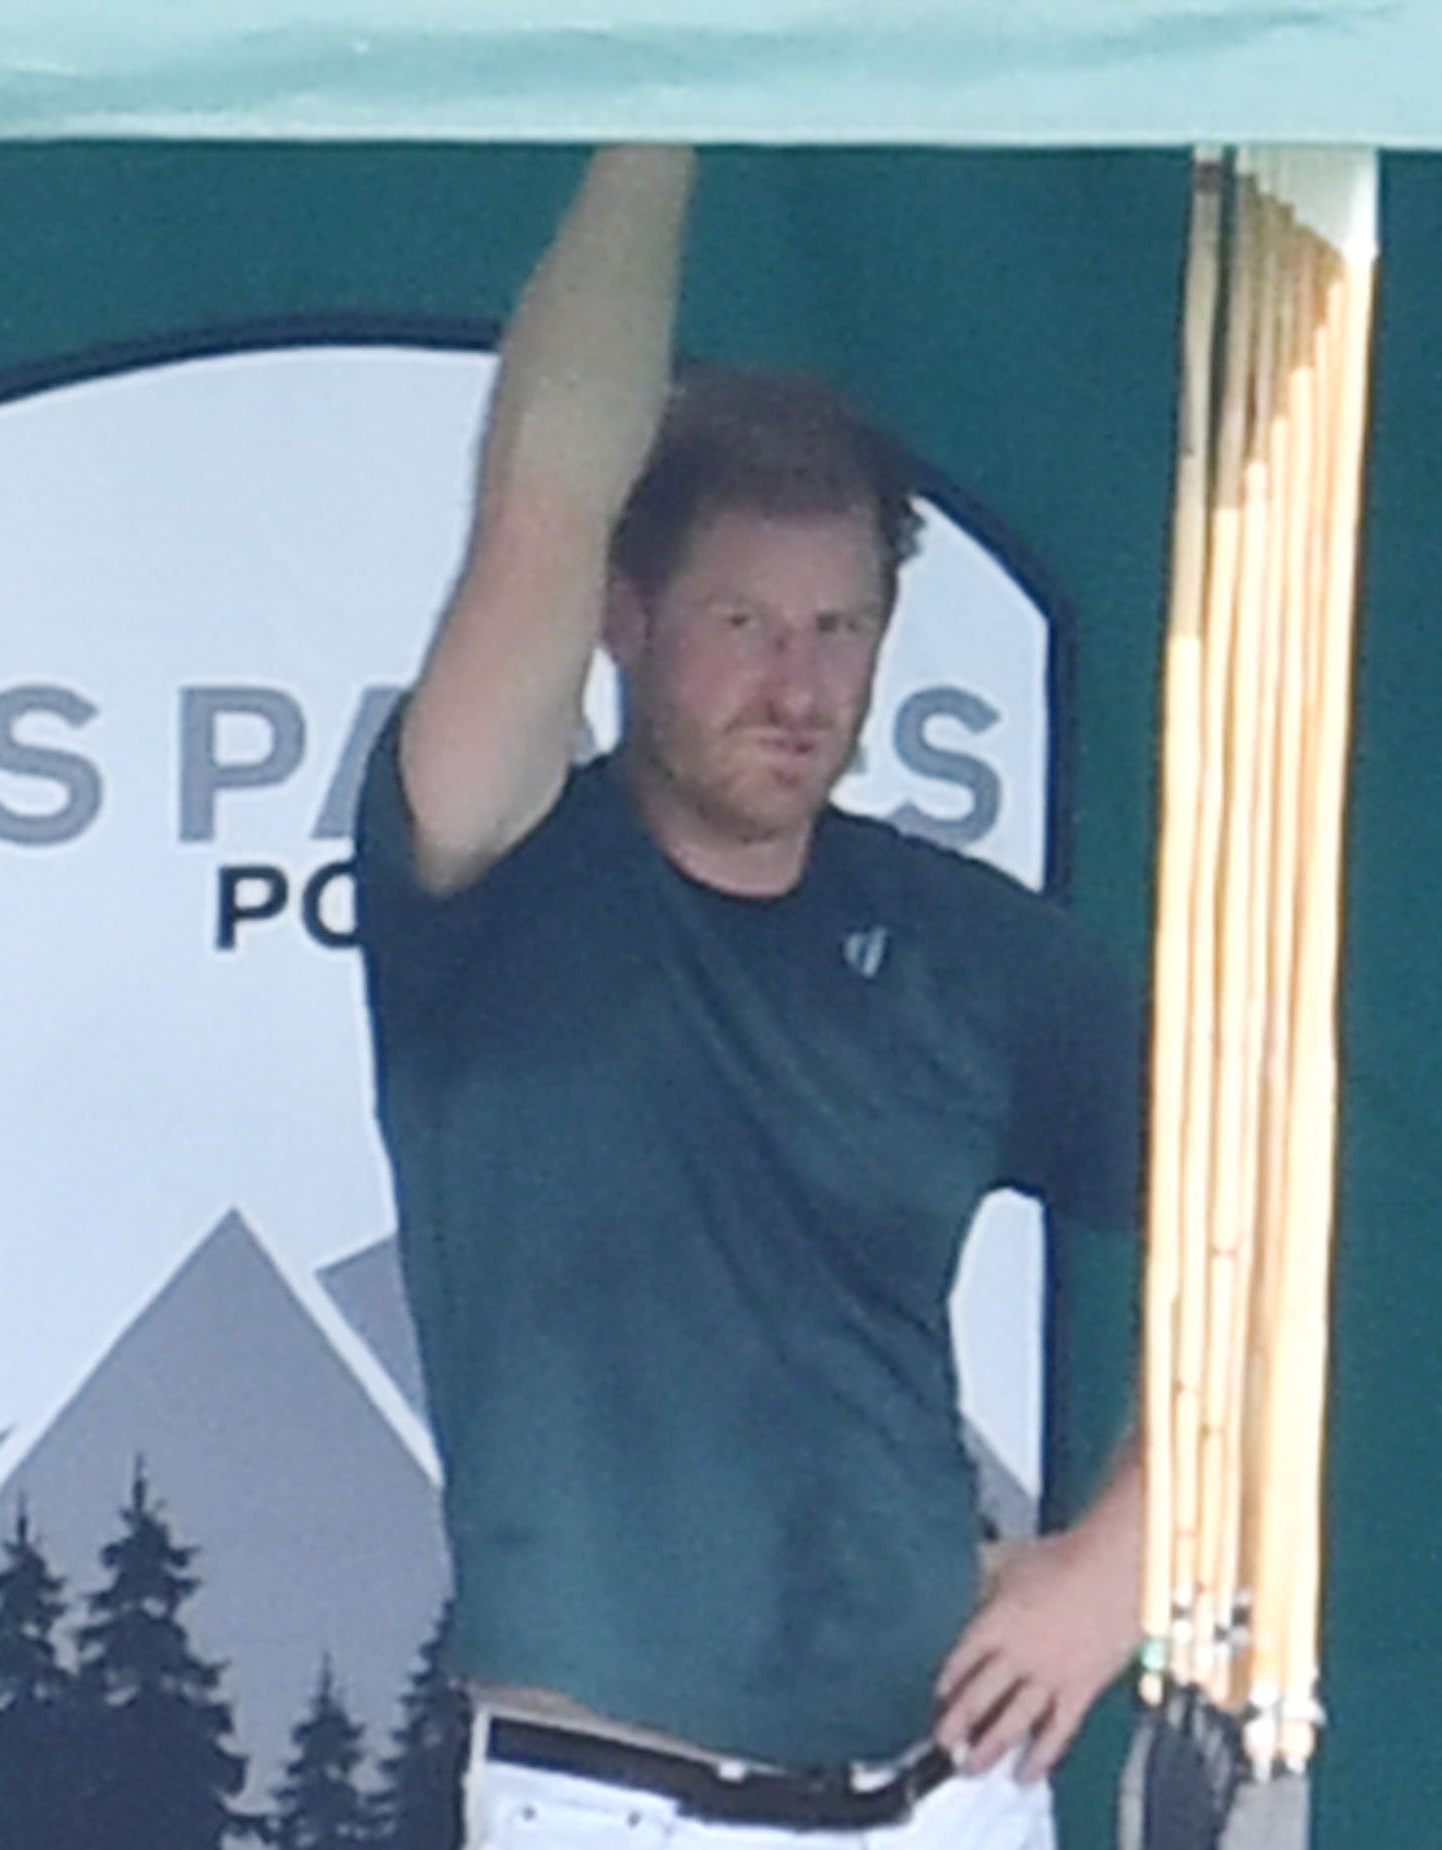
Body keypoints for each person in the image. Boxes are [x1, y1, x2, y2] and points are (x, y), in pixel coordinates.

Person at [354, 146, 1146, 1850]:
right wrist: (665, 103)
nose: (797, 683)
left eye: (839, 628)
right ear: (628, 620)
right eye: (742, 621)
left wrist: (1121, 1558)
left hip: (951, 1793)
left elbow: (1277, 1208)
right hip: (612, 1801)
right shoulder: (497, 875)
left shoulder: (961, 946)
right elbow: (542, 507)